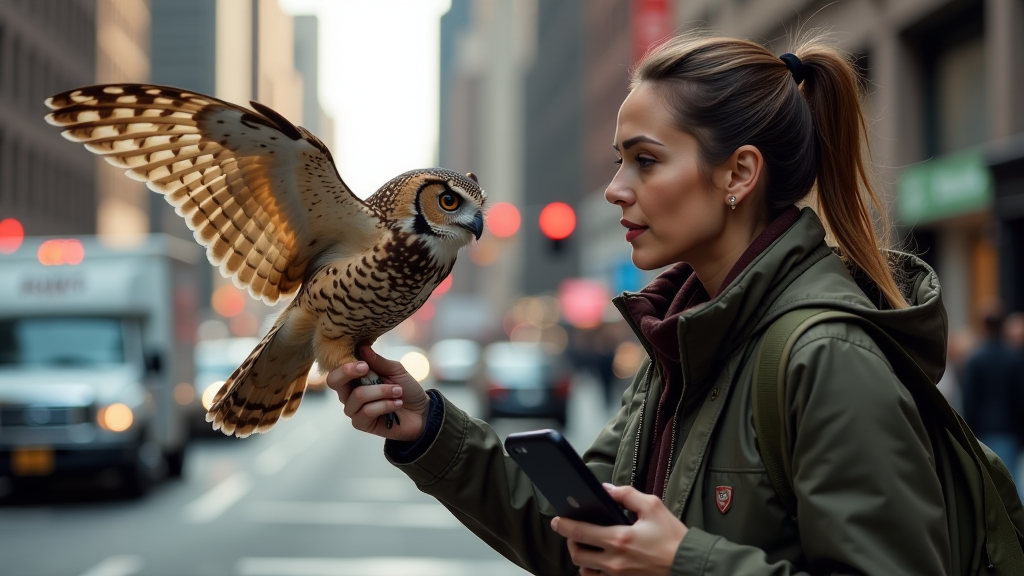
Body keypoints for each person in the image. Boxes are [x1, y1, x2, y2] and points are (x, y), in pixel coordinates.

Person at [327, 33, 953, 575]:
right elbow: (578, 534)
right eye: (619, 160)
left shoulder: (828, 358)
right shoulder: (678, 341)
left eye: (645, 161)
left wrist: (681, 562)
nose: (615, 189)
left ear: (738, 174)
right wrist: (429, 429)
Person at [961, 306, 1024, 491]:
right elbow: (1020, 397)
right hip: (1009, 430)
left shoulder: (974, 359)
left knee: (988, 483)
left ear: (983, 326)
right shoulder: (1014, 358)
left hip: (982, 430)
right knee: (1010, 480)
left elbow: (969, 399)